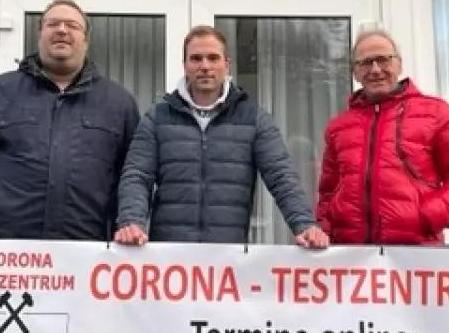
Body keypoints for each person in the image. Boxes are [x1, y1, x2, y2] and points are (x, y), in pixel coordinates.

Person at [114, 25, 328, 248]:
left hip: (228, 256)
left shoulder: (254, 118)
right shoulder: (157, 118)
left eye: (213, 58)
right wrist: (131, 222)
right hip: (170, 257)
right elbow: (137, 176)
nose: (205, 66)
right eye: (196, 59)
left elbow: (281, 176)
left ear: (226, 64)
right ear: (185, 65)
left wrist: (304, 225)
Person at [0, 0, 139, 240]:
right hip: (8, 251)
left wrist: (127, 228)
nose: (62, 30)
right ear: (40, 35)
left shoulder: (118, 103)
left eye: (72, 25)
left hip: (89, 251)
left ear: (86, 41)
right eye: (53, 24)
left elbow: (134, 176)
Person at [317, 27, 449, 245]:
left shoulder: (436, 113)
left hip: (415, 255)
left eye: (383, 59)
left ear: (399, 64)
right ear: (355, 72)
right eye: (365, 62)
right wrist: (326, 230)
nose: (375, 69)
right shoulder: (338, 127)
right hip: (351, 256)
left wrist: (427, 217)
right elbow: (328, 192)